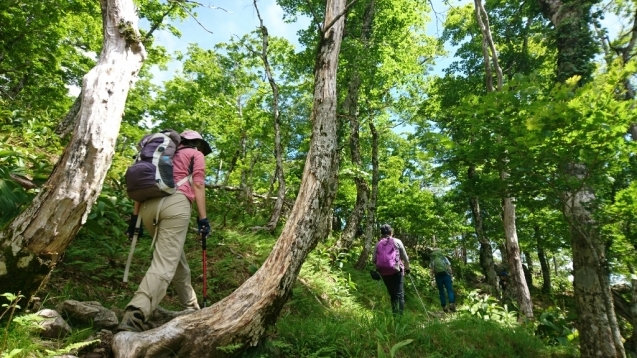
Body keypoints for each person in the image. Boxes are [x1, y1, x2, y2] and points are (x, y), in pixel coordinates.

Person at [117, 130, 212, 332]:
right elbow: (198, 184)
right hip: (176, 205)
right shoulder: (196, 155)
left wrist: (135, 219)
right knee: (164, 264)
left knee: (176, 261)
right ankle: (136, 313)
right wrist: (203, 218)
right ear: (198, 144)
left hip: (147, 207)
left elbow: (142, 188)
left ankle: (191, 307)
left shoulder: (161, 155)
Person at [372, 224, 410, 314]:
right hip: (396, 270)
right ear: (391, 232)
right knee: (399, 294)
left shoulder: (378, 244)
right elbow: (405, 258)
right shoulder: (397, 241)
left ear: (381, 233)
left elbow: (373, 260)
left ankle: (395, 317)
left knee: (393, 295)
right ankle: (399, 319)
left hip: (384, 272)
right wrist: (407, 268)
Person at [429, 248, 456, 313]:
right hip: (446, 275)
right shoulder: (444, 258)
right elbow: (449, 267)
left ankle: (444, 306)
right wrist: (451, 276)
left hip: (438, 277)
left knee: (441, 291)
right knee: (449, 290)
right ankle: (452, 304)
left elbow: (431, 270)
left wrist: (432, 279)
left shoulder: (432, 260)